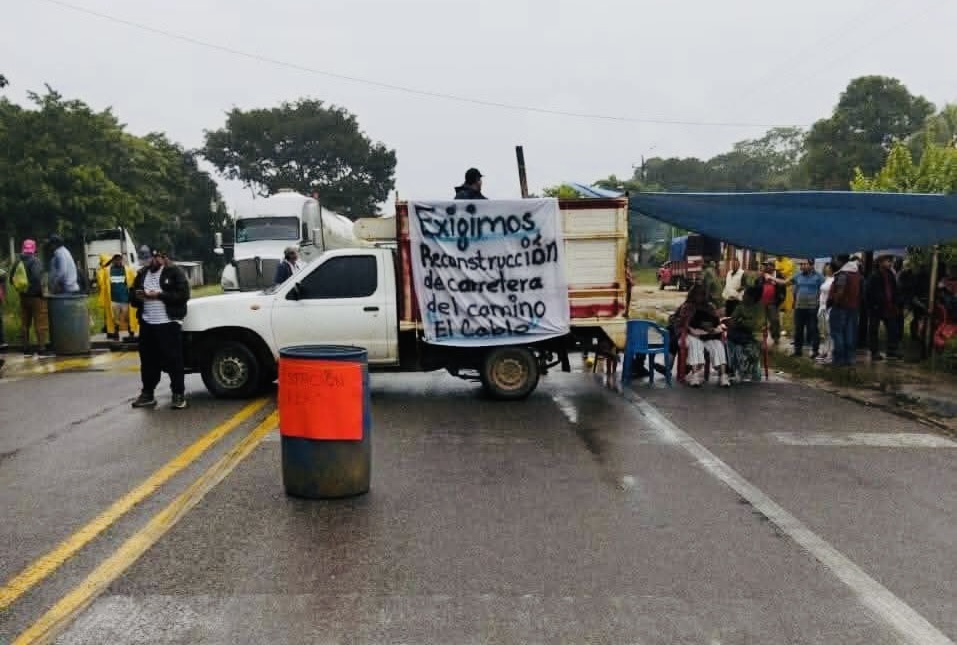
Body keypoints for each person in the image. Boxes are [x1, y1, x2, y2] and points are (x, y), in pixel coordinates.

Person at [129, 250, 191, 409]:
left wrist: (159, 295)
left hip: (168, 323)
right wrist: (138, 296)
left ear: (162, 258)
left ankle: (178, 394)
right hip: (148, 324)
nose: (150, 262)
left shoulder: (174, 272)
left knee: (173, 360)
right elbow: (132, 297)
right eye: (147, 260)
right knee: (148, 361)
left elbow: (183, 295)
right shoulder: (142, 274)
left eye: (153, 258)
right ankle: (147, 393)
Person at [679, 285, 730, 387]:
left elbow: (716, 321)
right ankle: (695, 375)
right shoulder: (687, 307)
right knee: (695, 343)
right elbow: (683, 323)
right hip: (690, 335)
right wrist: (699, 325)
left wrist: (711, 327)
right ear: (693, 295)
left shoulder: (710, 307)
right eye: (698, 294)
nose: (700, 297)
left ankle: (723, 375)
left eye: (702, 294)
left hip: (707, 335)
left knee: (718, 344)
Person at [776, 258, 824, 358]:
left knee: (813, 329)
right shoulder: (798, 275)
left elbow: (824, 290)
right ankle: (798, 351)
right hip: (799, 307)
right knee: (798, 329)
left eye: (804, 264)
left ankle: (815, 351)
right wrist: (772, 278)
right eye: (800, 264)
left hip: (812, 307)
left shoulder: (818, 277)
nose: (801, 266)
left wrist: (820, 302)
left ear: (811, 265)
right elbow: (785, 283)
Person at [9, 239, 51, 356]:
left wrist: (22, 289)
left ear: (23, 248)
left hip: (23, 297)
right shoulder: (35, 261)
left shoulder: (17, 262)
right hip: (36, 298)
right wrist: (40, 292)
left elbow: (11, 279)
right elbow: (38, 279)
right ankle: (41, 348)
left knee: (25, 323)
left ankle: (25, 347)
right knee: (40, 322)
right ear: (34, 249)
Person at [827, 254, 863, 367]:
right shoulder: (856, 273)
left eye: (835, 259)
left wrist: (833, 302)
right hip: (853, 308)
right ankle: (850, 358)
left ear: (839, 260)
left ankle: (839, 359)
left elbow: (840, 291)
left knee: (837, 333)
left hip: (840, 308)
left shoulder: (843, 274)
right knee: (849, 334)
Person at [725, 284, 766, 382]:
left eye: (745, 295)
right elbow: (732, 321)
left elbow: (755, 325)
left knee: (740, 345)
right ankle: (732, 369)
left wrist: (740, 322)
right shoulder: (740, 306)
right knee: (729, 342)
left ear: (752, 298)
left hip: (754, 337)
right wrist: (742, 323)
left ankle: (745, 371)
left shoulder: (760, 308)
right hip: (740, 335)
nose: (743, 296)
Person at [865, 253, 902, 361]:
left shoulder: (890, 275)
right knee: (873, 329)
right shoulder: (874, 275)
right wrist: (873, 305)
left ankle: (891, 350)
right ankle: (874, 351)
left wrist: (896, 302)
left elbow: (895, 290)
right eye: (888, 260)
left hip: (889, 306)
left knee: (892, 328)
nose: (890, 263)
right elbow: (868, 292)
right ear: (880, 262)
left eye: (891, 261)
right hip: (876, 307)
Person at [98, 253, 138, 341]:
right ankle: (116, 334)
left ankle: (131, 333)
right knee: (115, 318)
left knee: (128, 317)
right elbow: (102, 284)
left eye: (119, 259)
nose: (118, 261)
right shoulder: (107, 271)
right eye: (116, 259)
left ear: (122, 260)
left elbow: (135, 281)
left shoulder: (128, 270)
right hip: (113, 299)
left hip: (125, 299)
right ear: (113, 260)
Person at [758, 259, 784, 345]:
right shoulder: (762, 275)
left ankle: (776, 337)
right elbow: (757, 285)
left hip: (773, 302)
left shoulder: (779, 275)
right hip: (762, 302)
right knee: (763, 321)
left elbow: (783, 288)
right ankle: (764, 338)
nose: (765, 267)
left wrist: (780, 300)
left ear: (772, 266)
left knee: (774, 320)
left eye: (767, 265)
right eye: (765, 265)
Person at [817, 263, 835, 362]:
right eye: (826, 268)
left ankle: (830, 353)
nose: (827, 269)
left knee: (830, 331)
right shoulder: (826, 278)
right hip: (822, 307)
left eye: (829, 268)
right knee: (824, 332)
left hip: (829, 308)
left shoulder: (834, 279)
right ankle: (824, 351)